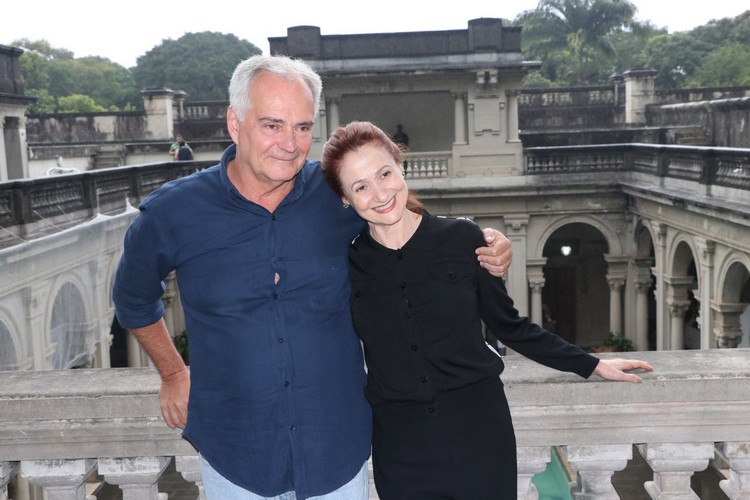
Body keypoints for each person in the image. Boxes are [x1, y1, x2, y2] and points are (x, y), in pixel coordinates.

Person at [112, 55, 513, 500]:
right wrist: (173, 373)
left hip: (335, 451)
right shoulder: (173, 212)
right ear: (235, 122)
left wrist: (483, 241)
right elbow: (132, 298)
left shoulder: (337, 192)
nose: (289, 144)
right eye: (272, 125)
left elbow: (407, 227)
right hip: (237, 454)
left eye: (302, 127)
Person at [320, 121, 654, 500]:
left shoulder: (463, 239)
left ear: (401, 166)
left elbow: (509, 325)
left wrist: (591, 364)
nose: (380, 194)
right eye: (361, 186)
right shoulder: (345, 264)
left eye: (384, 174)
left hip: (479, 431)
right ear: (345, 198)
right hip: (400, 444)